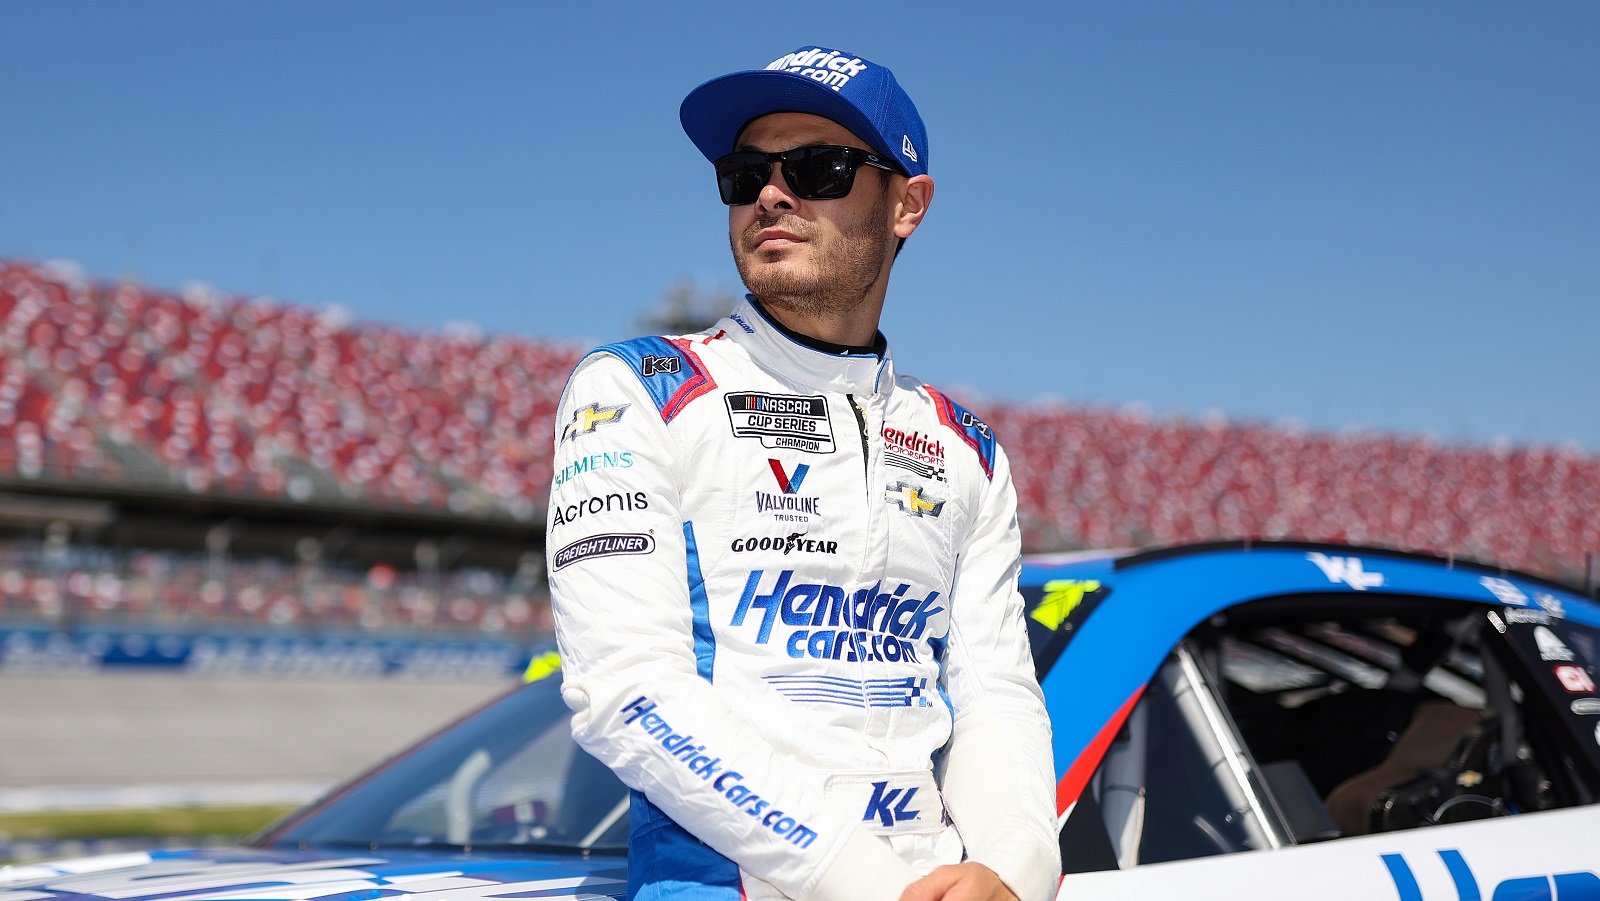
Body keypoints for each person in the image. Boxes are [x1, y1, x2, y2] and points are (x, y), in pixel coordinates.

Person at [546, 45, 1060, 901]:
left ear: (908, 204)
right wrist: (864, 883)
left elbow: (995, 696)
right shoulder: (636, 388)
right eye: (746, 173)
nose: (771, 195)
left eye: (818, 168)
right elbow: (627, 690)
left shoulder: (965, 447)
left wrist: (1013, 872)